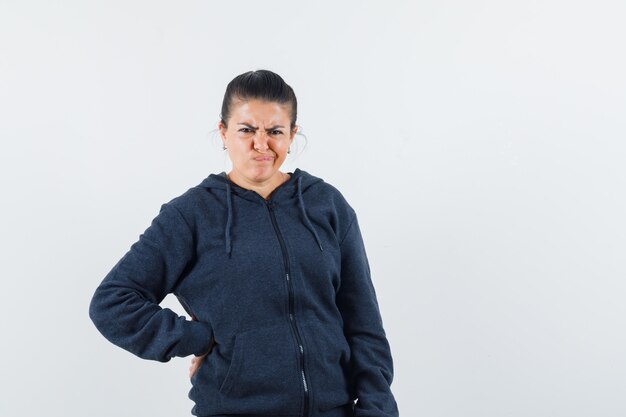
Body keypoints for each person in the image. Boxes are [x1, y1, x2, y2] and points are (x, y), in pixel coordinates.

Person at [88, 69, 399, 417]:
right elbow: (112, 302)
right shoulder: (191, 215)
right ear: (223, 132)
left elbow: (364, 324)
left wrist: (377, 409)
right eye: (247, 130)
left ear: (292, 135)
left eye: (275, 131)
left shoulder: (326, 205)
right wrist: (197, 338)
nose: (261, 144)